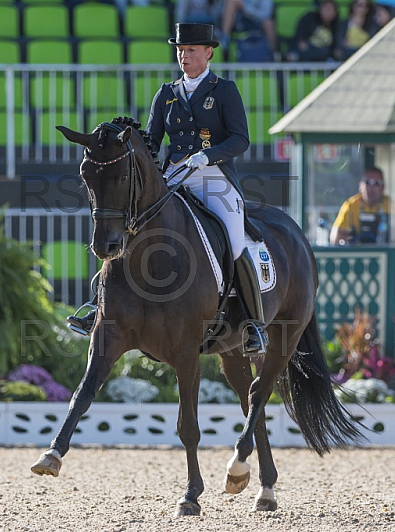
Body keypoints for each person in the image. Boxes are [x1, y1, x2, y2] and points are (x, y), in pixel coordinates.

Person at [68, 23, 267, 357]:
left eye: (190, 51)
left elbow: (240, 139)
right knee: (130, 228)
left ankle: (254, 325)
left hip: (214, 177)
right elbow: (150, 143)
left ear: (208, 53)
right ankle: (95, 306)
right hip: (174, 175)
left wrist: (208, 155)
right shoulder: (166, 93)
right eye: (180, 51)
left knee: (233, 243)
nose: (184, 57)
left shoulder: (224, 91)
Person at [329, 166, 390, 245]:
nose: (371, 188)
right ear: (360, 185)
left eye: (377, 183)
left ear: (383, 187)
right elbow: (336, 238)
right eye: (367, 182)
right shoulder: (351, 205)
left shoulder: (391, 205)